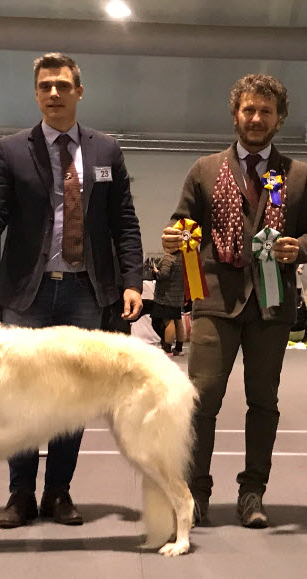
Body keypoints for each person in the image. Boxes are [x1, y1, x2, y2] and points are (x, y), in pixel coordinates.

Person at [0, 53, 143, 529]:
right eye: (45, 86)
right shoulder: (12, 150)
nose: (54, 93)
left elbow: (124, 223)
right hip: (27, 293)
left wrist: (131, 282)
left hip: (87, 292)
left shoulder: (106, 150)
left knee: (73, 398)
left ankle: (58, 492)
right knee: (16, 397)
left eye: (63, 85)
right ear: (36, 93)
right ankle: (20, 493)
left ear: (79, 91)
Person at [161, 74, 307, 529]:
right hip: (214, 303)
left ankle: (252, 493)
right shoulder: (204, 170)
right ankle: (195, 493)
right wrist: (174, 236)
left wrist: (299, 249)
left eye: (266, 111)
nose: (257, 118)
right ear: (235, 114)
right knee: (201, 401)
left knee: (264, 402)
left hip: (273, 305)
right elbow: (181, 223)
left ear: (279, 118)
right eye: (249, 109)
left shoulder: (299, 174)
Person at [151, 251, 185, 356]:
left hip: (166, 296)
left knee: (168, 321)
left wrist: (155, 271)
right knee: (178, 321)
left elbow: (163, 275)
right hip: (178, 295)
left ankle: (167, 349)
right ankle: (179, 348)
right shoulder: (183, 257)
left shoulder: (168, 257)